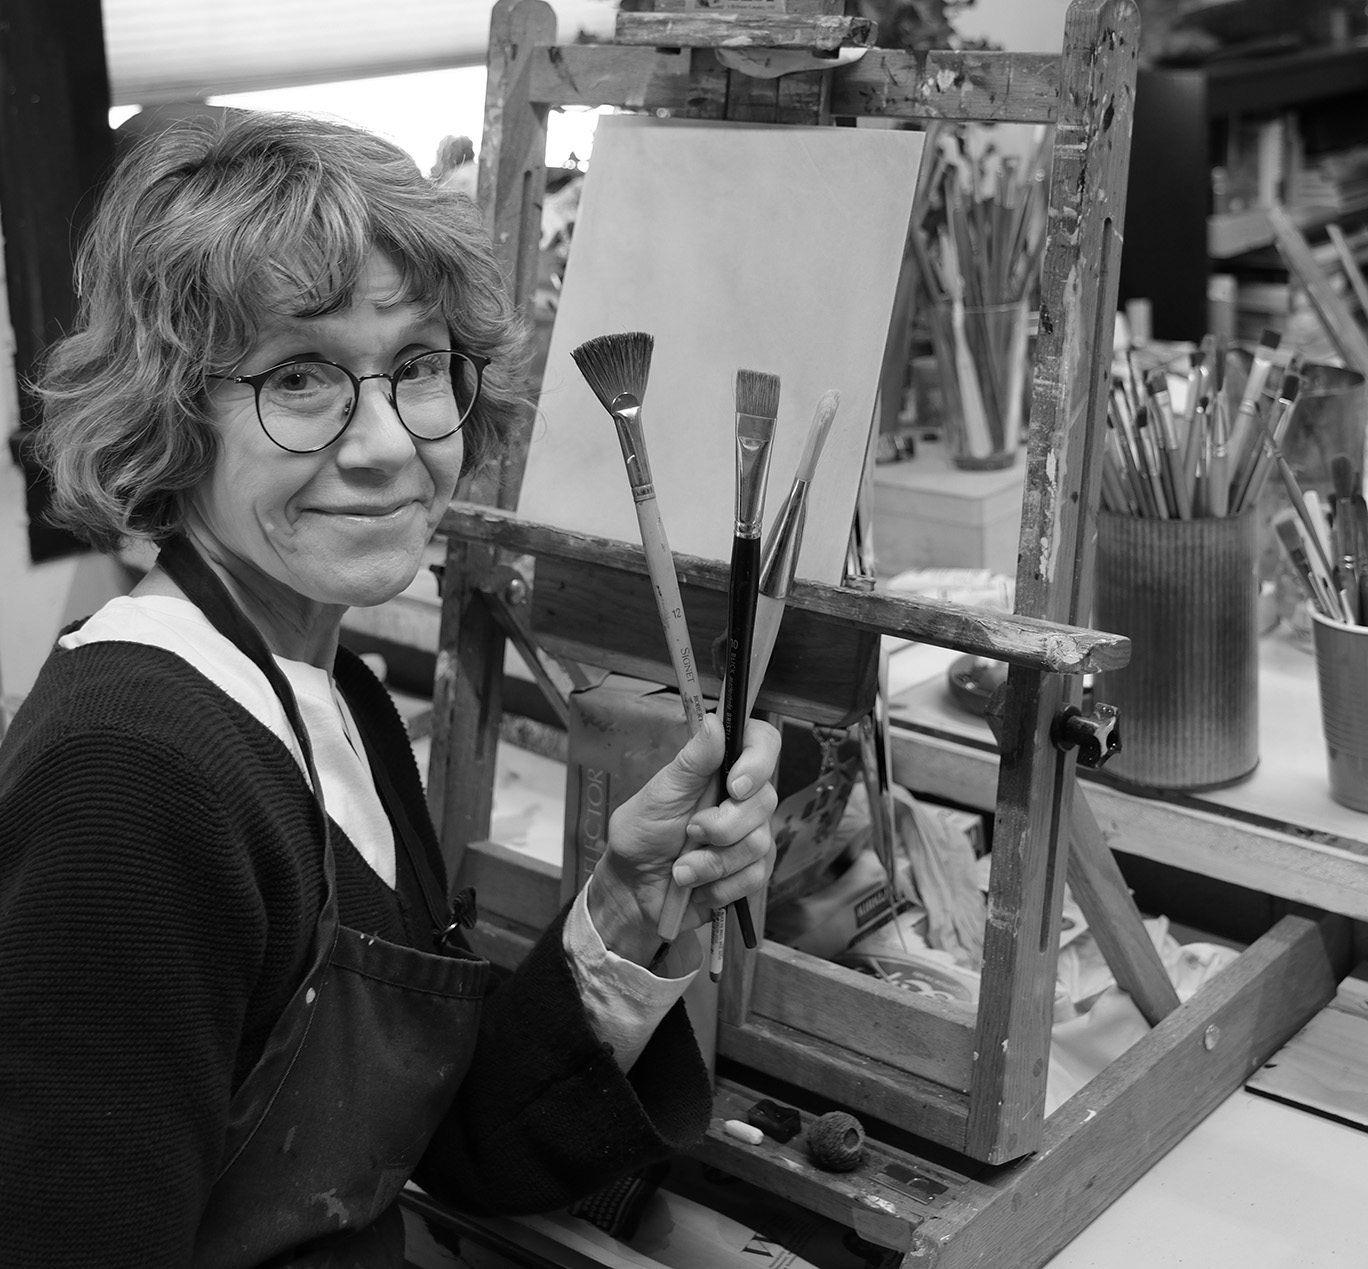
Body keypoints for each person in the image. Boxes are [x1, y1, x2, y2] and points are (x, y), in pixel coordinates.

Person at [0, 110, 780, 1268]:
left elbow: (446, 1150)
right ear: (170, 415)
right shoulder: (131, 782)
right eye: (300, 376)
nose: (383, 446)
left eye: (416, 366)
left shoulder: (335, 696)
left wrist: (625, 907)